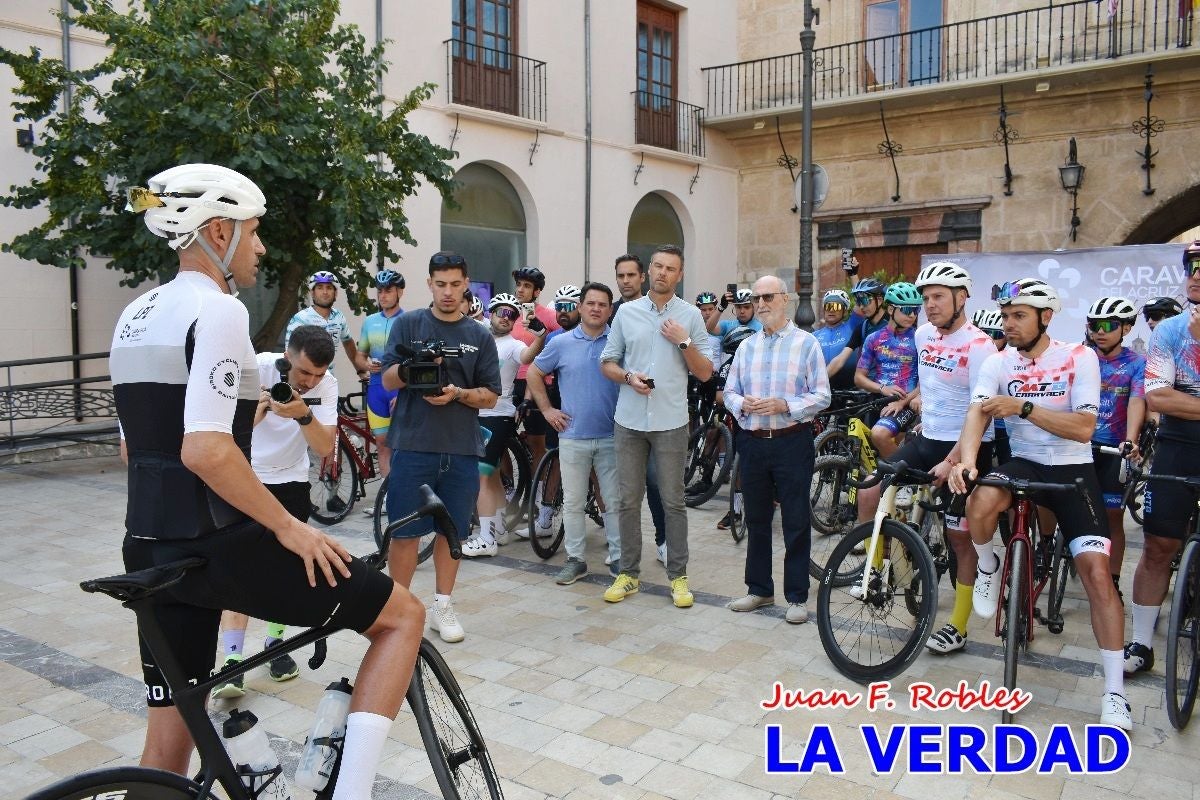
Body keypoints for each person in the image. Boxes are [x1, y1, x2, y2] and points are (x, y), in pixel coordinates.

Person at [112, 163, 422, 800]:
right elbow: (205, 449)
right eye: (253, 231)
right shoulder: (218, 308)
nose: (260, 247)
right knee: (402, 616)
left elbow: (130, 448)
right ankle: (353, 792)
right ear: (217, 231)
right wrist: (290, 528)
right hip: (215, 543)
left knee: (166, 747)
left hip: (146, 545)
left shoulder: (133, 315)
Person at [949, 278, 1131, 730]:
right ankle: (989, 564)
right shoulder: (998, 361)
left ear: (1045, 317)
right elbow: (977, 412)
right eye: (1005, 316)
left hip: (1073, 468)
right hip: (1026, 463)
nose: (1008, 324)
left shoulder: (1079, 356)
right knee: (980, 500)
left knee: (1097, 576)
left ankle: (1115, 693)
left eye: (1019, 316)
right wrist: (967, 461)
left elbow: (1084, 428)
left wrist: (1024, 408)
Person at [854, 262, 995, 654]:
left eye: (938, 297)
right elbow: (929, 385)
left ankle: (959, 624)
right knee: (870, 492)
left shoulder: (980, 347)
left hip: (967, 446)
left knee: (958, 536)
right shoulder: (922, 335)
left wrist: (952, 460)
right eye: (925, 297)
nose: (929, 305)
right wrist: (909, 404)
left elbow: (980, 413)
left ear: (961, 298)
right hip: (928, 436)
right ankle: (879, 572)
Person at [210, 324, 339, 698]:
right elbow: (225, 435)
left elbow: (324, 447)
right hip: (246, 478)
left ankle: (275, 645)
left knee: (285, 568)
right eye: (303, 372)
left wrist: (303, 415)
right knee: (237, 569)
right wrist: (261, 409)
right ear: (287, 356)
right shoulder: (253, 370)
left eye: (318, 374)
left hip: (292, 481)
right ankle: (232, 661)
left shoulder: (327, 386)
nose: (310, 382)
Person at [381, 251, 501, 643]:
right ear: (429, 284)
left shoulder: (479, 336)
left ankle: (442, 607)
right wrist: (411, 365)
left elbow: (491, 396)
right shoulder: (408, 324)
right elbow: (387, 381)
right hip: (413, 445)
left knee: (452, 534)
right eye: (440, 284)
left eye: (455, 284)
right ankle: (398, 610)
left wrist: (459, 394)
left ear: (466, 284)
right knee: (405, 533)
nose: (448, 292)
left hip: (461, 449)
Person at [600, 244, 712, 608]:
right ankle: (628, 574)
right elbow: (607, 362)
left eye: (671, 268)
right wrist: (628, 377)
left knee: (673, 501)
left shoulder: (690, 316)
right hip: (629, 421)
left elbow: (705, 372)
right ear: (649, 270)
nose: (663, 272)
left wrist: (683, 340)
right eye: (658, 266)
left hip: (670, 421)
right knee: (627, 500)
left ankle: (678, 577)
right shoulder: (626, 312)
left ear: (680, 275)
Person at [723, 276, 830, 624]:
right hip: (753, 442)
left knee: (796, 520)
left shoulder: (807, 344)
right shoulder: (746, 346)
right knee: (756, 519)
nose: (761, 304)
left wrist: (786, 405)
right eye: (756, 298)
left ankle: (796, 596)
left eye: (768, 297)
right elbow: (729, 392)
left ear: (785, 299)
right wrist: (742, 403)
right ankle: (759, 589)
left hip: (792, 441)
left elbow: (822, 395)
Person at [1124, 241, 1200, 676]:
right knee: (1157, 547)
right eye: (1192, 266)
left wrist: (1183, 401)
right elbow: (1158, 395)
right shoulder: (1170, 330)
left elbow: (1174, 395)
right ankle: (1141, 642)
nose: (1196, 274)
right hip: (1178, 446)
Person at [526, 282, 623, 585]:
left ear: (610, 310)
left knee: (613, 500)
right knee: (573, 502)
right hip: (572, 436)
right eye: (590, 303)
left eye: (602, 304)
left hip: (612, 436)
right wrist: (547, 410)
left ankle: (619, 558)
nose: (596, 309)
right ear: (580, 307)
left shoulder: (619, 342)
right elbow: (534, 372)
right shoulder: (561, 342)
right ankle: (576, 560)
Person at [464, 292, 546, 557]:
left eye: (512, 314)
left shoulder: (512, 345)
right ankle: (499, 529)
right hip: (478, 415)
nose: (506, 318)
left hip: (497, 416)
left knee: (482, 476)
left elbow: (527, 357)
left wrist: (540, 336)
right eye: (501, 312)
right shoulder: (479, 339)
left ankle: (486, 538)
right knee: (493, 474)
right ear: (491, 313)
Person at [1085, 297, 1145, 596]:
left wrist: (1130, 439)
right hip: (1079, 446)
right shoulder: (1081, 357)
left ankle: (1113, 581)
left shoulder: (1137, 363)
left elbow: (1137, 400)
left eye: (1109, 325)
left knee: (1111, 518)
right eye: (1095, 325)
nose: (1100, 331)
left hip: (1113, 450)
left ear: (1127, 328)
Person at [510, 266, 561, 510]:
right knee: (505, 440)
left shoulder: (548, 315)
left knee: (536, 443)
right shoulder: (510, 313)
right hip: (511, 383)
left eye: (527, 286)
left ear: (537, 291)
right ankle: (510, 491)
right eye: (519, 284)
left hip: (538, 383)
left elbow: (564, 336)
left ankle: (539, 498)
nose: (520, 289)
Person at [854, 281, 921, 459]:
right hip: (878, 400)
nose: (912, 315)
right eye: (907, 310)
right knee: (876, 453)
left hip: (906, 403)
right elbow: (859, 378)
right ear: (891, 309)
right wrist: (882, 388)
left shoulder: (920, 338)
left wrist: (902, 402)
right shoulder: (873, 338)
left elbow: (927, 381)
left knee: (879, 435)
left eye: (916, 310)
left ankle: (903, 473)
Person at [357, 269, 405, 486]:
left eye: (388, 290)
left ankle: (405, 491)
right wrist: (366, 365)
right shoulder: (369, 322)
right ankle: (387, 495)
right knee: (382, 444)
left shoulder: (408, 320)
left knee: (402, 446)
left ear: (399, 292)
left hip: (400, 389)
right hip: (376, 388)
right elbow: (360, 356)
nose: (383, 295)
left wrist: (405, 391)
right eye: (380, 291)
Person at [285, 271, 364, 375]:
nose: (325, 292)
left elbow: (348, 343)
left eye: (329, 288)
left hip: (329, 378)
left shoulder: (339, 317)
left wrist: (361, 371)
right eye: (320, 288)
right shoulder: (300, 319)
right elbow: (290, 354)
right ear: (312, 293)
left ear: (335, 293)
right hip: (306, 379)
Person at [825, 277, 889, 377]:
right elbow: (840, 359)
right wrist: (818, 381)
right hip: (868, 383)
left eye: (865, 301)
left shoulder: (893, 323)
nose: (862, 307)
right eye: (859, 302)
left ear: (879, 300)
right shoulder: (862, 328)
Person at [973, 308, 1010, 463]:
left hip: (1003, 425)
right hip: (980, 422)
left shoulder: (1011, 358)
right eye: (985, 333)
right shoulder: (975, 354)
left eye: (996, 335)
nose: (990, 339)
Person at [813, 289, 857, 389]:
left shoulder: (852, 327)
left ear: (845, 312)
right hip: (821, 390)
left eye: (836, 306)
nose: (831, 310)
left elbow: (860, 303)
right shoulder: (814, 336)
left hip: (850, 390)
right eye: (828, 306)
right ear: (824, 310)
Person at [611, 253, 646, 318]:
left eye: (631, 275)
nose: (625, 281)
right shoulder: (609, 314)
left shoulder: (656, 309)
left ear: (642, 277)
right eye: (621, 276)